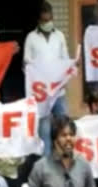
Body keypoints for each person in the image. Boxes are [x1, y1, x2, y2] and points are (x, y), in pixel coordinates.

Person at [24, 115, 98, 187]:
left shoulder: (83, 164)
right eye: (64, 135)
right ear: (54, 140)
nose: (69, 138)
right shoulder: (40, 167)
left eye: (71, 135)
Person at [24, 1, 69, 156]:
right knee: (44, 130)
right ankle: (47, 164)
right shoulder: (31, 38)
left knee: (64, 126)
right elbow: (27, 64)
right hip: (41, 94)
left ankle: (65, 159)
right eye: (44, 21)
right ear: (39, 21)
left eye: (49, 19)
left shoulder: (60, 36)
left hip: (58, 91)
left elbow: (65, 60)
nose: (47, 23)